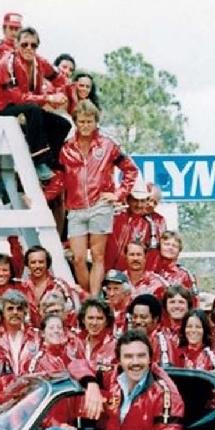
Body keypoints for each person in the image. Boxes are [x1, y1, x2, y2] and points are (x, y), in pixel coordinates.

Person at [43, 100, 139, 293]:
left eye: (89, 121)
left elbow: (130, 170)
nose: (85, 125)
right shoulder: (67, 149)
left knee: (97, 255)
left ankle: (94, 298)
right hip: (76, 208)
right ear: (75, 122)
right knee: (78, 258)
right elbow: (59, 180)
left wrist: (119, 194)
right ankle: (89, 298)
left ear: (96, 122)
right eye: (81, 121)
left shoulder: (108, 145)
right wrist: (41, 198)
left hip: (100, 206)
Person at [0, 27, 70, 180]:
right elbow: (18, 98)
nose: (29, 48)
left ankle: (51, 161)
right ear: (16, 44)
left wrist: (59, 94)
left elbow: (61, 80)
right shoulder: (9, 63)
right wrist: (48, 98)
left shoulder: (39, 61)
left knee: (63, 124)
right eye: (25, 44)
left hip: (27, 107)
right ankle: (38, 161)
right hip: (1, 109)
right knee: (33, 110)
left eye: (33, 45)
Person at [99, 329, 184, 430]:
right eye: (128, 356)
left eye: (141, 356)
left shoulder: (164, 393)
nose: (135, 362)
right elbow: (78, 365)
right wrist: (91, 384)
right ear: (119, 360)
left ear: (150, 358)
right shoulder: (112, 374)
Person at [22, 245, 81, 328]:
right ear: (27, 265)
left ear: (47, 264)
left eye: (41, 262)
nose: (37, 266)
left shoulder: (60, 285)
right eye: (33, 262)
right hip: (30, 337)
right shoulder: (21, 288)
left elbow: (71, 314)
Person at [105, 187, 153, 271]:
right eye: (135, 200)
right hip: (105, 270)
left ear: (146, 202)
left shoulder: (148, 224)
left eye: (142, 201)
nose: (139, 205)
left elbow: (148, 254)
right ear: (128, 199)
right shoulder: (114, 216)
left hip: (130, 274)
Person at [128, 294, 177, 369]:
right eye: (135, 317)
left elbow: (166, 373)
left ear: (155, 319)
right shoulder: (130, 337)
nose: (138, 321)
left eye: (143, 317)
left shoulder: (162, 340)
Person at [0, 290, 40, 374]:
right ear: (3, 312)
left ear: (24, 313)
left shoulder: (36, 337)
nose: (15, 312)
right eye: (10, 309)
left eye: (19, 309)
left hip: (30, 385)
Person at [79, 298, 117, 371]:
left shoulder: (115, 346)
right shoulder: (76, 344)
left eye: (100, 318)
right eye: (90, 318)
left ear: (107, 321)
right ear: (83, 320)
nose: (94, 323)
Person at [102, 270, 132, 336]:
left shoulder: (132, 312)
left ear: (126, 290)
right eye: (109, 289)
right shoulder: (103, 311)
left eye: (116, 289)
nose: (111, 294)